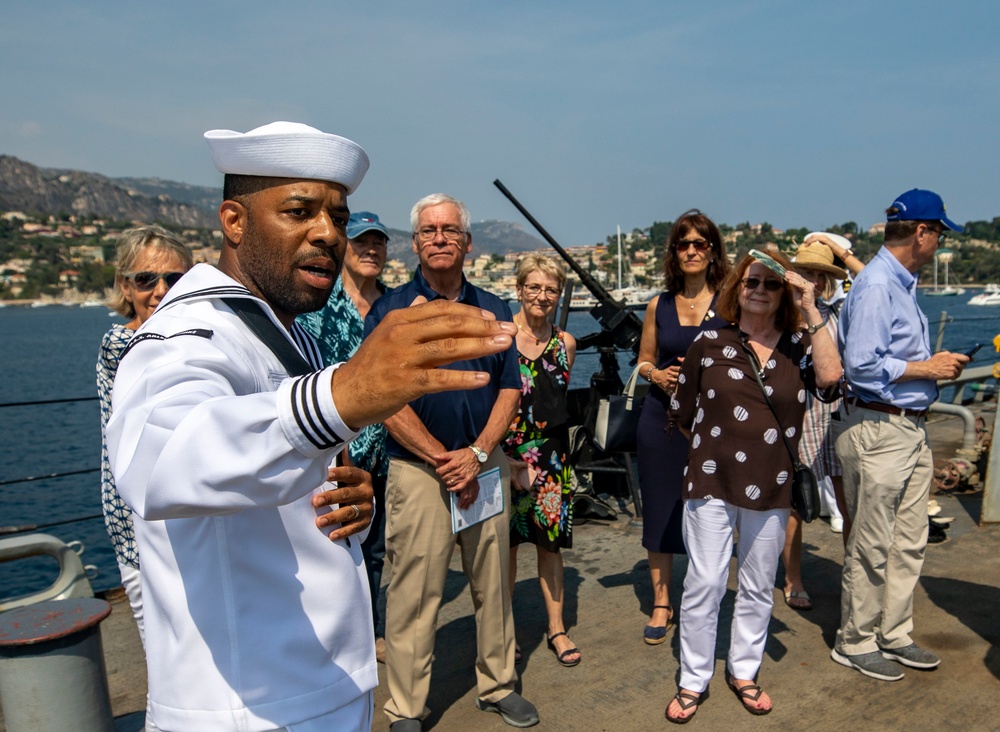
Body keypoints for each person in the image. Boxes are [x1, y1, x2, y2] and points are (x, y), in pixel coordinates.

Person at [106, 122, 518, 732]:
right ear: (234, 221)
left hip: (312, 693)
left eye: (337, 215)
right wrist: (345, 392)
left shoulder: (280, 327)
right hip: (249, 710)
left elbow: (277, 457)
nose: (328, 232)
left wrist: (344, 495)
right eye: (299, 211)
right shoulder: (184, 333)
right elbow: (159, 461)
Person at [365, 193, 538, 731]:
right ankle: (406, 708)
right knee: (414, 592)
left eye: (449, 230)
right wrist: (445, 459)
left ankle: (499, 683)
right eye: (428, 231)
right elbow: (379, 397)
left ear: (467, 241)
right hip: (419, 470)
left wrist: (478, 453)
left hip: (483, 466)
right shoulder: (390, 312)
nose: (439, 238)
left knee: (494, 584)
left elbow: (510, 388)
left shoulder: (494, 308)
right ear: (415, 243)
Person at [665, 251, 842, 723]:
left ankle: (744, 670)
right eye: (751, 282)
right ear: (736, 288)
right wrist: (718, 449)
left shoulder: (800, 345)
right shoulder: (709, 342)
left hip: (772, 482)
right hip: (710, 480)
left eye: (770, 284)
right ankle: (693, 678)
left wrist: (810, 305)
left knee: (759, 583)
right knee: (704, 581)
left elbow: (830, 379)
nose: (759, 290)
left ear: (784, 292)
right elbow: (682, 414)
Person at [831, 189, 968, 682]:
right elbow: (862, 366)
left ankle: (893, 632)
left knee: (908, 541)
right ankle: (856, 640)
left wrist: (928, 371)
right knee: (871, 544)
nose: (938, 245)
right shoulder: (876, 285)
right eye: (939, 234)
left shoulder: (897, 283)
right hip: (878, 426)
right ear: (923, 232)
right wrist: (927, 366)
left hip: (905, 427)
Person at [298, 210, 391, 663]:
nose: (370, 250)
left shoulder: (393, 306)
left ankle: (373, 630)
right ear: (344, 249)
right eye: (360, 243)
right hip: (340, 447)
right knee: (341, 545)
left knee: (379, 548)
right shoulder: (320, 305)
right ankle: (341, 634)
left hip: (391, 450)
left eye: (378, 243)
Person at [635, 209, 730, 645]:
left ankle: (700, 593)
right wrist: (657, 376)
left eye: (700, 243)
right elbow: (643, 361)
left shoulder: (729, 303)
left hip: (712, 425)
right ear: (674, 252)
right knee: (659, 507)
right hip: (661, 420)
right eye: (683, 244)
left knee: (708, 511)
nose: (691, 250)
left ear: (712, 252)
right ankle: (660, 599)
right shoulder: (660, 304)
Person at [98, 225, 194, 643]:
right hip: (138, 525)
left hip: (189, 519)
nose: (160, 290)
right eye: (145, 279)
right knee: (162, 652)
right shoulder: (120, 346)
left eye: (175, 279)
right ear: (125, 285)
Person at [502, 253, 580, 667]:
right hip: (506, 456)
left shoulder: (566, 344)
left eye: (551, 289)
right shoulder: (500, 337)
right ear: (519, 289)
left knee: (550, 548)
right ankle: (504, 629)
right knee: (506, 549)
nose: (542, 295)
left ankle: (557, 628)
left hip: (551, 459)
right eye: (533, 287)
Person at [779, 235, 859, 611]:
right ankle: (793, 578)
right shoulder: (781, 314)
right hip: (799, 411)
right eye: (804, 272)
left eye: (818, 274)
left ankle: (854, 575)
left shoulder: (838, 311)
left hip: (835, 410)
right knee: (797, 501)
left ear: (827, 280)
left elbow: (876, 280)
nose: (811, 279)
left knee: (849, 498)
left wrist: (836, 247)